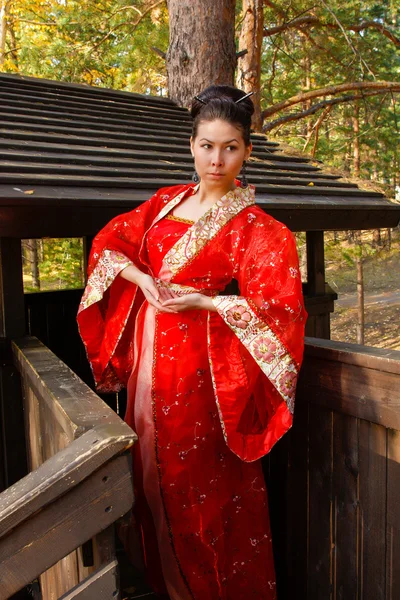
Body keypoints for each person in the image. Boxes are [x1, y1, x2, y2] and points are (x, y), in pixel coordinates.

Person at [77, 85, 307, 600]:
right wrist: (140, 279)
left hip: (202, 371)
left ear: (248, 151)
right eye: (206, 145)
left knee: (197, 482)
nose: (216, 159)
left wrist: (206, 303)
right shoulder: (164, 203)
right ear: (191, 145)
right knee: (148, 470)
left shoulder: (258, 228)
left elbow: (281, 308)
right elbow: (110, 244)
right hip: (147, 357)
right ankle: (163, 584)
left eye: (230, 147)